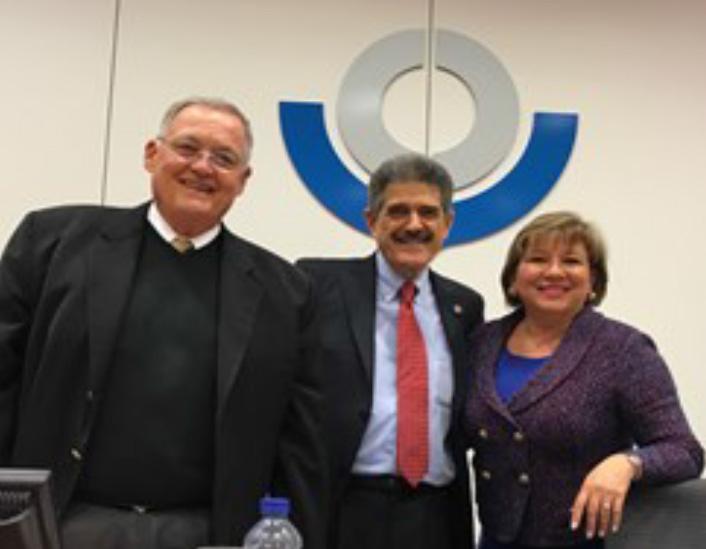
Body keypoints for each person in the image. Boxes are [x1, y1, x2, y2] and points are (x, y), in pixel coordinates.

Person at [0, 97, 326, 549]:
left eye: (224, 158)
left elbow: (299, 439)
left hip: (206, 532)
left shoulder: (286, 292)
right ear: (152, 154)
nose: (203, 167)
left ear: (243, 180)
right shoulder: (52, 244)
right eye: (188, 148)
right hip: (62, 519)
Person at [465, 211, 704, 549]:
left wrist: (628, 463)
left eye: (572, 261)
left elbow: (684, 451)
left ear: (593, 281)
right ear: (513, 278)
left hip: (583, 542)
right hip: (495, 541)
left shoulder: (624, 350)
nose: (554, 272)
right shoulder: (481, 344)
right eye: (537, 259)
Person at [298, 153, 484, 549]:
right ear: (371, 221)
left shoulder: (465, 307)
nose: (414, 225)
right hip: (344, 510)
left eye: (428, 213)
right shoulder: (316, 286)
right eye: (398, 211)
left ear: (447, 224)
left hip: (434, 515)